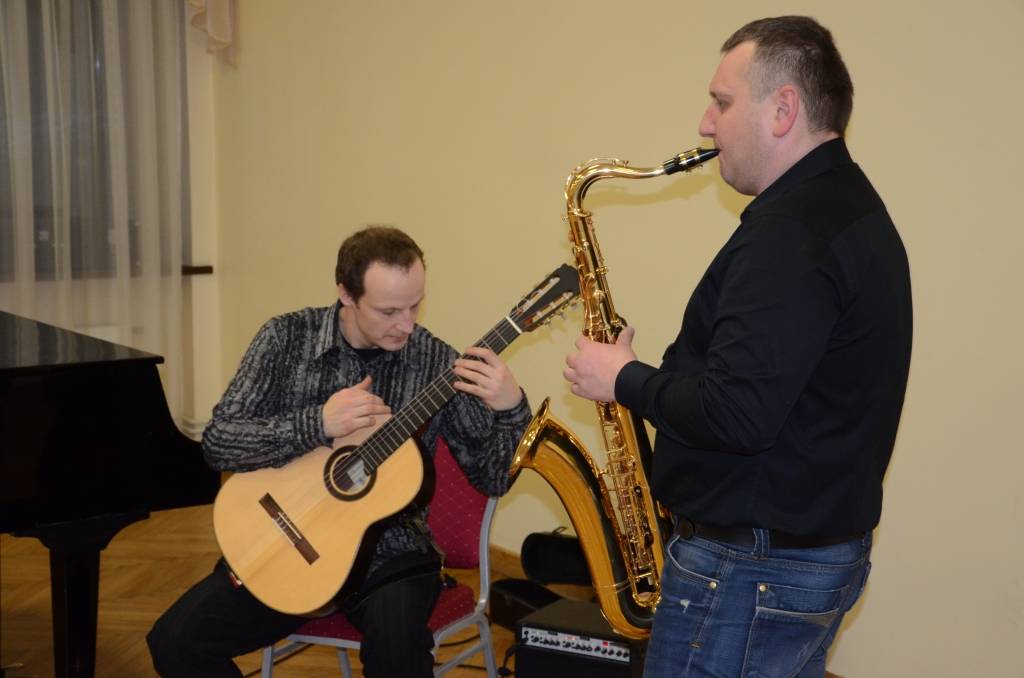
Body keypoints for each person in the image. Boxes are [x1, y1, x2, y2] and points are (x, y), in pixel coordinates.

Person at [563, 16, 911, 678]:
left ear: (783, 109)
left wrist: (624, 378)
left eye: (721, 102)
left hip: (748, 571)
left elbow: (738, 413)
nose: (705, 124)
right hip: (796, 558)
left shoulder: (791, 233)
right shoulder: (849, 206)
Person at [147, 226, 531, 677]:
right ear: (346, 294)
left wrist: (511, 408)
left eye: (415, 305)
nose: (407, 324)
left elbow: (492, 477)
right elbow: (218, 443)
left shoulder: (435, 363)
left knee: (398, 655)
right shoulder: (285, 339)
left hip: (393, 554)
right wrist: (318, 424)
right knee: (175, 641)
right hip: (291, 539)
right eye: (389, 311)